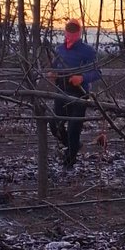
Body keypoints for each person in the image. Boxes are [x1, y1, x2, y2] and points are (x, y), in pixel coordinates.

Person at [47, 19, 101, 168]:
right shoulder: (59, 50)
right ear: (65, 31)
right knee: (54, 124)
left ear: (79, 33)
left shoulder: (88, 51)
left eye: (74, 32)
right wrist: (53, 74)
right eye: (68, 31)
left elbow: (97, 72)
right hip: (61, 92)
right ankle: (73, 146)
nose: (70, 35)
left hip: (79, 94)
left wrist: (82, 78)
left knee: (73, 128)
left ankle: (69, 163)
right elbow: (54, 68)